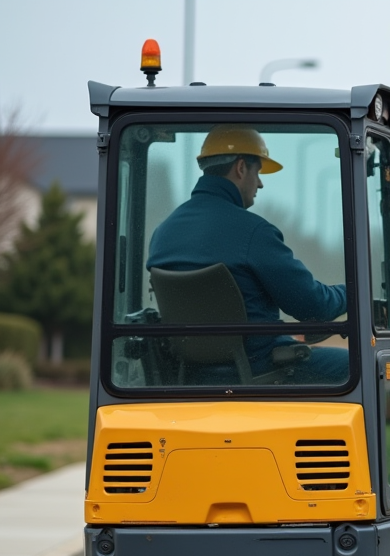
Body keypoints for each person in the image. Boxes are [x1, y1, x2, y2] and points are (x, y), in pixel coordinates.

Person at [147, 125, 348, 384]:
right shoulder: (254, 232)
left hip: (190, 374)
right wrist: (352, 294)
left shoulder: (162, 233)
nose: (261, 183)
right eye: (259, 171)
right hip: (259, 368)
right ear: (241, 168)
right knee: (360, 365)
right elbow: (314, 306)